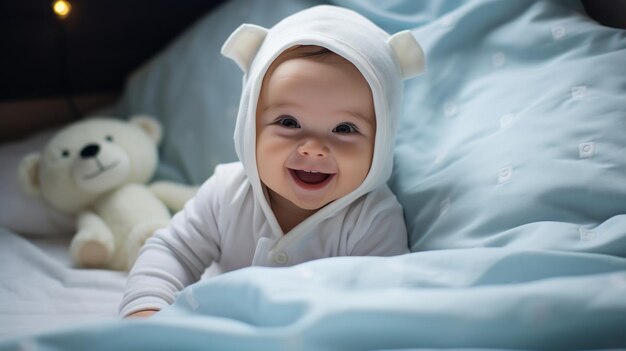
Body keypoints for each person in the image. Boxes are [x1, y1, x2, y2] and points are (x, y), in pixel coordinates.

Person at [119, 5, 425, 318]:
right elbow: (172, 252)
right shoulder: (227, 194)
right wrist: (146, 309)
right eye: (289, 122)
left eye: (344, 129)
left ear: (382, 139)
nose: (313, 149)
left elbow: (380, 307)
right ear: (249, 124)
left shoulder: (371, 220)